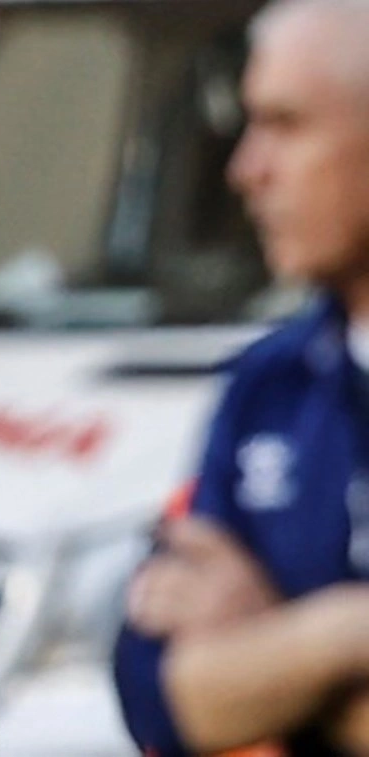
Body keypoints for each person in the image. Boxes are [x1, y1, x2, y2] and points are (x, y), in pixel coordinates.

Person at [113, 1, 369, 754]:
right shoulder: (268, 386)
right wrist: (336, 637)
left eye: (285, 125)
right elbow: (153, 689)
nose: (245, 169)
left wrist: (265, 656)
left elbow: (211, 690)